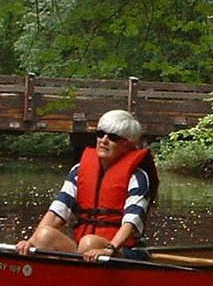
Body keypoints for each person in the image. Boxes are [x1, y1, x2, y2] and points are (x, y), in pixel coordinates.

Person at [16, 109, 158, 262]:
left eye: (113, 137)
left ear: (128, 145)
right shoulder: (78, 171)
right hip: (84, 250)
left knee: (88, 242)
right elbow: (57, 212)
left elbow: (132, 221)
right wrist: (31, 241)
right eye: (100, 134)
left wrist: (109, 249)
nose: (104, 140)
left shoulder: (137, 177)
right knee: (45, 234)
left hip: (122, 250)